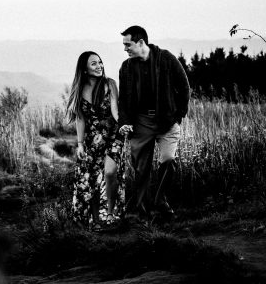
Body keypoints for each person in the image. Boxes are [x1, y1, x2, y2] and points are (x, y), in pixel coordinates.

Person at [118, 26, 190, 220]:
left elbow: (184, 88)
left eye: (128, 44)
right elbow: (123, 100)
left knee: (167, 159)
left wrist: (178, 115)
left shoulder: (166, 58)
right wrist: (124, 122)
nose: (125, 49)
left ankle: (160, 201)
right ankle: (142, 213)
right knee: (141, 169)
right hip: (140, 122)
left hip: (167, 121)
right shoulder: (126, 67)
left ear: (141, 42)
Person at [66, 51, 125, 229]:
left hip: (114, 135)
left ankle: (110, 213)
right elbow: (80, 118)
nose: (99, 66)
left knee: (109, 172)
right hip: (92, 139)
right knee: (90, 179)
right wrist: (80, 144)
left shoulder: (110, 84)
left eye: (100, 62)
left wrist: (124, 125)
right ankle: (96, 221)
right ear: (84, 69)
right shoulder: (79, 88)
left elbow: (115, 110)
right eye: (94, 63)